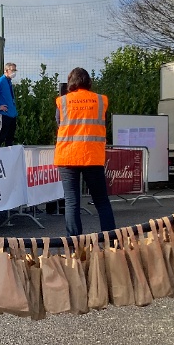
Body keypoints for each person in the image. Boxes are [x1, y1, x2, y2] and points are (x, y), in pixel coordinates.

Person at [54, 67, 116, 237]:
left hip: (67, 156)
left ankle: (74, 243)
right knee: (101, 201)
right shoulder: (100, 100)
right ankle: (111, 241)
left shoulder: (63, 101)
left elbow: (59, 123)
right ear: (89, 81)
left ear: (71, 82)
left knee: (71, 202)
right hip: (92, 156)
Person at [0, 62, 18, 147]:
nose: (14, 72)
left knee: (10, 137)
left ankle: (8, 154)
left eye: (15, 70)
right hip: (4, 114)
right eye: (12, 70)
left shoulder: (9, 82)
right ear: (6, 70)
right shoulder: (1, 81)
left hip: (12, 114)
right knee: (1, 136)